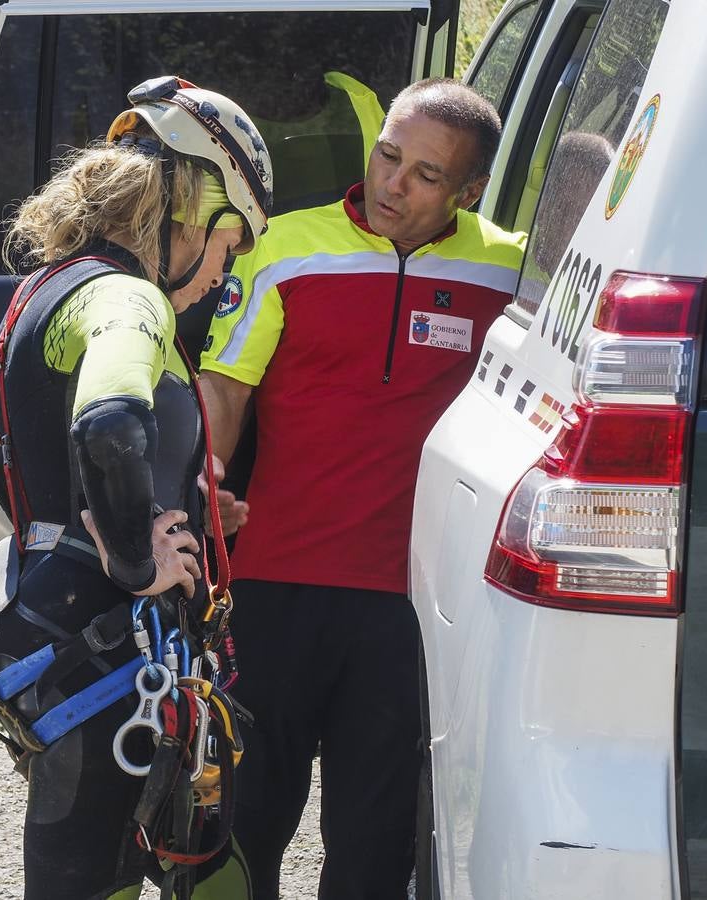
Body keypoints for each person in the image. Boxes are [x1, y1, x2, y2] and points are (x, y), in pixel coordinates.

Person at [197, 77, 526, 898]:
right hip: (273, 581)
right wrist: (198, 519)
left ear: (469, 189)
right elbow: (224, 391)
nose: (392, 184)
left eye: (425, 175)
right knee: (244, 823)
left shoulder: (511, 271)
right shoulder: (284, 246)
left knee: (377, 842)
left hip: (412, 603)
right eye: (388, 156)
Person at [0, 76, 271, 899]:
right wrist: (138, 558)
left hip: (69, 635)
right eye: (232, 243)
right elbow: (106, 427)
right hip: (105, 651)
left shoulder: (53, 286)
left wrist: (180, 503)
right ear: (195, 210)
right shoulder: (126, 296)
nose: (223, 273)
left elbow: (75, 456)